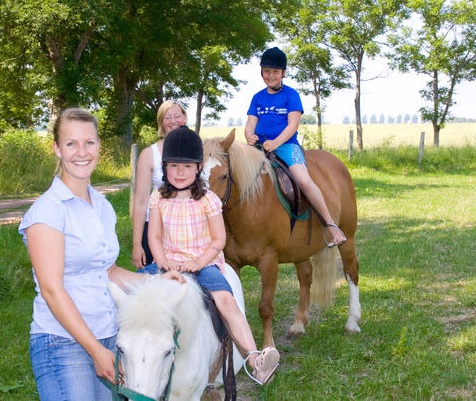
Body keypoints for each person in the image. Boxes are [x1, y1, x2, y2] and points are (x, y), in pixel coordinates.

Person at [18, 107, 184, 400]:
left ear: (98, 147)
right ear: (57, 148)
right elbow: (51, 290)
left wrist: (157, 282)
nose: (81, 152)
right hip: (64, 343)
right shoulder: (47, 210)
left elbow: (107, 271)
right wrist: (95, 349)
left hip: (109, 335)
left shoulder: (103, 206)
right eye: (71, 144)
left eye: (89, 143)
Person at [139, 125, 280, 385]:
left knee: (227, 302)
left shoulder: (208, 201)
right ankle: (125, 355)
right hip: (167, 262)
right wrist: (162, 262)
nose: (180, 173)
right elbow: (154, 238)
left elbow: (218, 240)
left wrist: (199, 262)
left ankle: (254, 360)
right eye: (173, 166)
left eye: (187, 167)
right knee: (130, 291)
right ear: (165, 168)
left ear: (199, 168)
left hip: (203, 263)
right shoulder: (157, 198)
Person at [245, 46, 347, 247]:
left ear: (283, 73)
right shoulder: (257, 97)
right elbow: (250, 124)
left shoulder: (291, 95)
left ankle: (330, 224)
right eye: (267, 71)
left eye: (275, 71)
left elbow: (293, 126)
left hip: (286, 146)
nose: (270, 75)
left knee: (304, 180)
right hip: (260, 147)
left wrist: (275, 143)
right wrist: (249, 136)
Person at [131, 100, 188, 269]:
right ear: (161, 122)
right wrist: (137, 244)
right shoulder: (149, 154)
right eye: (167, 117)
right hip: (155, 226)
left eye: (177, 116)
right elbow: (141, 201)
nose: (172, 121)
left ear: (184, 118)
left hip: (186, 225)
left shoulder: (197, 149)